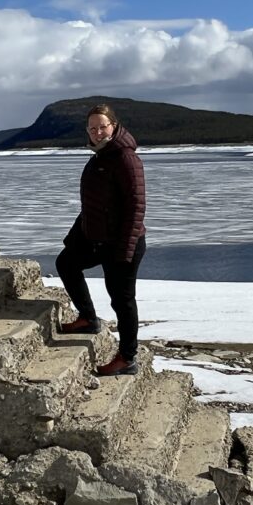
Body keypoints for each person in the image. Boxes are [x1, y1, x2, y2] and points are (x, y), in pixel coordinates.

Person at [55, 103, 147, 375]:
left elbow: (136, 208)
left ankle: (127, 358)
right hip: (97, 239)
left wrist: (125, 250)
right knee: (66, 263)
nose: (97, 132)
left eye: (102, 126)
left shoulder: (125, 159)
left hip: (122, 243)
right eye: (92, 128)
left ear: (114, 126)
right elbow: (92, 205)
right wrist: (75, 237)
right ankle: (87, 318)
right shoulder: (100, 157)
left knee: (122, 300)